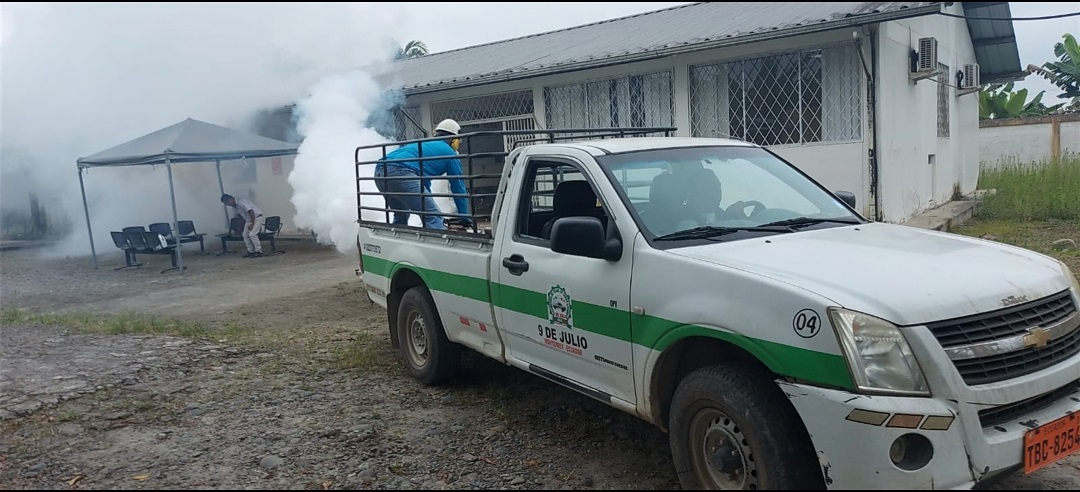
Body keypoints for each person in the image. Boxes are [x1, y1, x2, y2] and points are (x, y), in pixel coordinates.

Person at [374, 119, 472, 230]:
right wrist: (465, 218)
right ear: (453, 140)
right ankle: (437, 241)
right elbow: (458, 189)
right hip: (401, 172)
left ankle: (396, 238)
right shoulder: (450, 154)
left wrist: (429, 205)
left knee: (401, 214)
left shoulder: (425, 145)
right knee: (434, 217)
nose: (459, 143)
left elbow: (424, 185)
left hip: (380, 171)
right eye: (459, 140)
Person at [220, 193, 265, 258]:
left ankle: (259, 251)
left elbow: (251, 211)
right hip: (248, 220)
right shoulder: (234, 207)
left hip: (257, 217)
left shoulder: (241, 202)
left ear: (230, 200)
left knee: (252, 234)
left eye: (226, 203)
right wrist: (240, 228)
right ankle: (251, 251)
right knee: (245, 235)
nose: (227, 205)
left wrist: (252, 223)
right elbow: (240, 217)